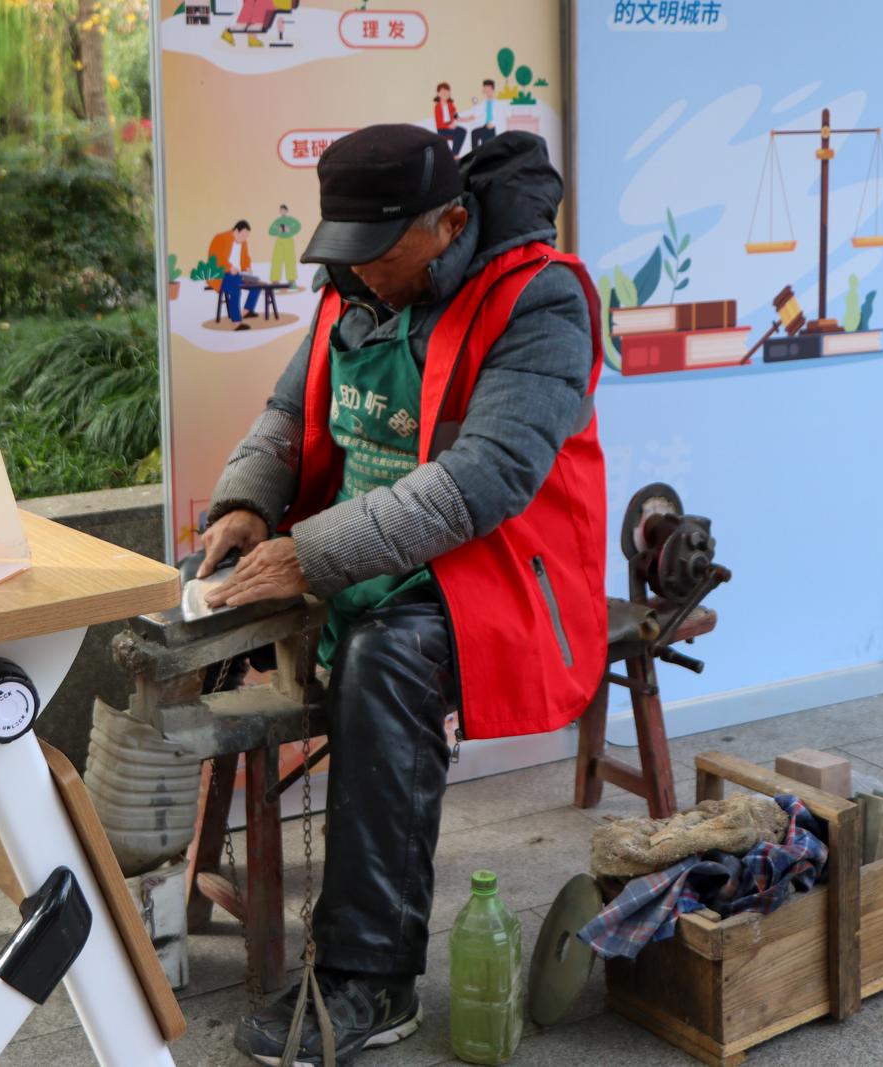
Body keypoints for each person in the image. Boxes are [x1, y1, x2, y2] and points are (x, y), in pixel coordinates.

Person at [198, 125, 606, 1065]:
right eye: (347, 254)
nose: (359, 274)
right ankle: (134, 886)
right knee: (204, 595)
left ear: (449, 224)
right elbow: (287, 410)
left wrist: (311, 554)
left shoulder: (541, 299)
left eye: (378, 253)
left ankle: (371, 978)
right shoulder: (357, 283)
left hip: (497, 571)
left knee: (385, 657)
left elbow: (483, 480)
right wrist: (247, 505)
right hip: (363, 552)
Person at [208, 220, 262, 330]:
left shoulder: (243, 243)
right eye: (243, 235)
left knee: (257, 284)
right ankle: (236, 321)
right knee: (235, 287)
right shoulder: (221, 238)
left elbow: (246, 258)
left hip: (238, 274)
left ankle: (246, 311)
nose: (244, 238)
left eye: (246, 236)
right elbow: (215, 258)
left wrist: (247, 267)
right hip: (221, 275)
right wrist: (229, 268)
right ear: (236, 231)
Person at [269, 204, 302, 288]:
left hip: (288, 240)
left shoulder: (291, 220)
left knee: (290, 260)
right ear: (280, 211)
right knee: (276, 260)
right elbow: (271, 231)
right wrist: (278, 230)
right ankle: (275, 281)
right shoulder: (277, 221)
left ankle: (292, 281)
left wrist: (290, 229)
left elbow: (298, 226)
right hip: (279, 240)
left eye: (284, 210)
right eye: (281, 210)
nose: (282, 212)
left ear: (286, 211)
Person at [433, 82, 467, 158]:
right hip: (442, 130)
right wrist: (449, 126)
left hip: (450, 127)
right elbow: (439, 124)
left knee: (462, 131)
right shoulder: (437, 107)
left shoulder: (451, 105)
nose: (444, 93)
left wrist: (467, 118)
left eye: (446, 91)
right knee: (459, 132)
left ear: (449, 93)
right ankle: (454, 155)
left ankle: (453, 154)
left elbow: (456, 116)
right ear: (438, 94)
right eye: (442, 91)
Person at [471, 77, 498, 151]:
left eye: (489, 89)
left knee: (486, 144)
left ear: (493, 90)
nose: (487, 91)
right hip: (485, 127)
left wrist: (493, 123)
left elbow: (501, 116)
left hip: (493, 128)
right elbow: (477, 114)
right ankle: (475, 153)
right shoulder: (484, 103)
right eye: (486, 89)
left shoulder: (497, 103)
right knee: (474, 133)